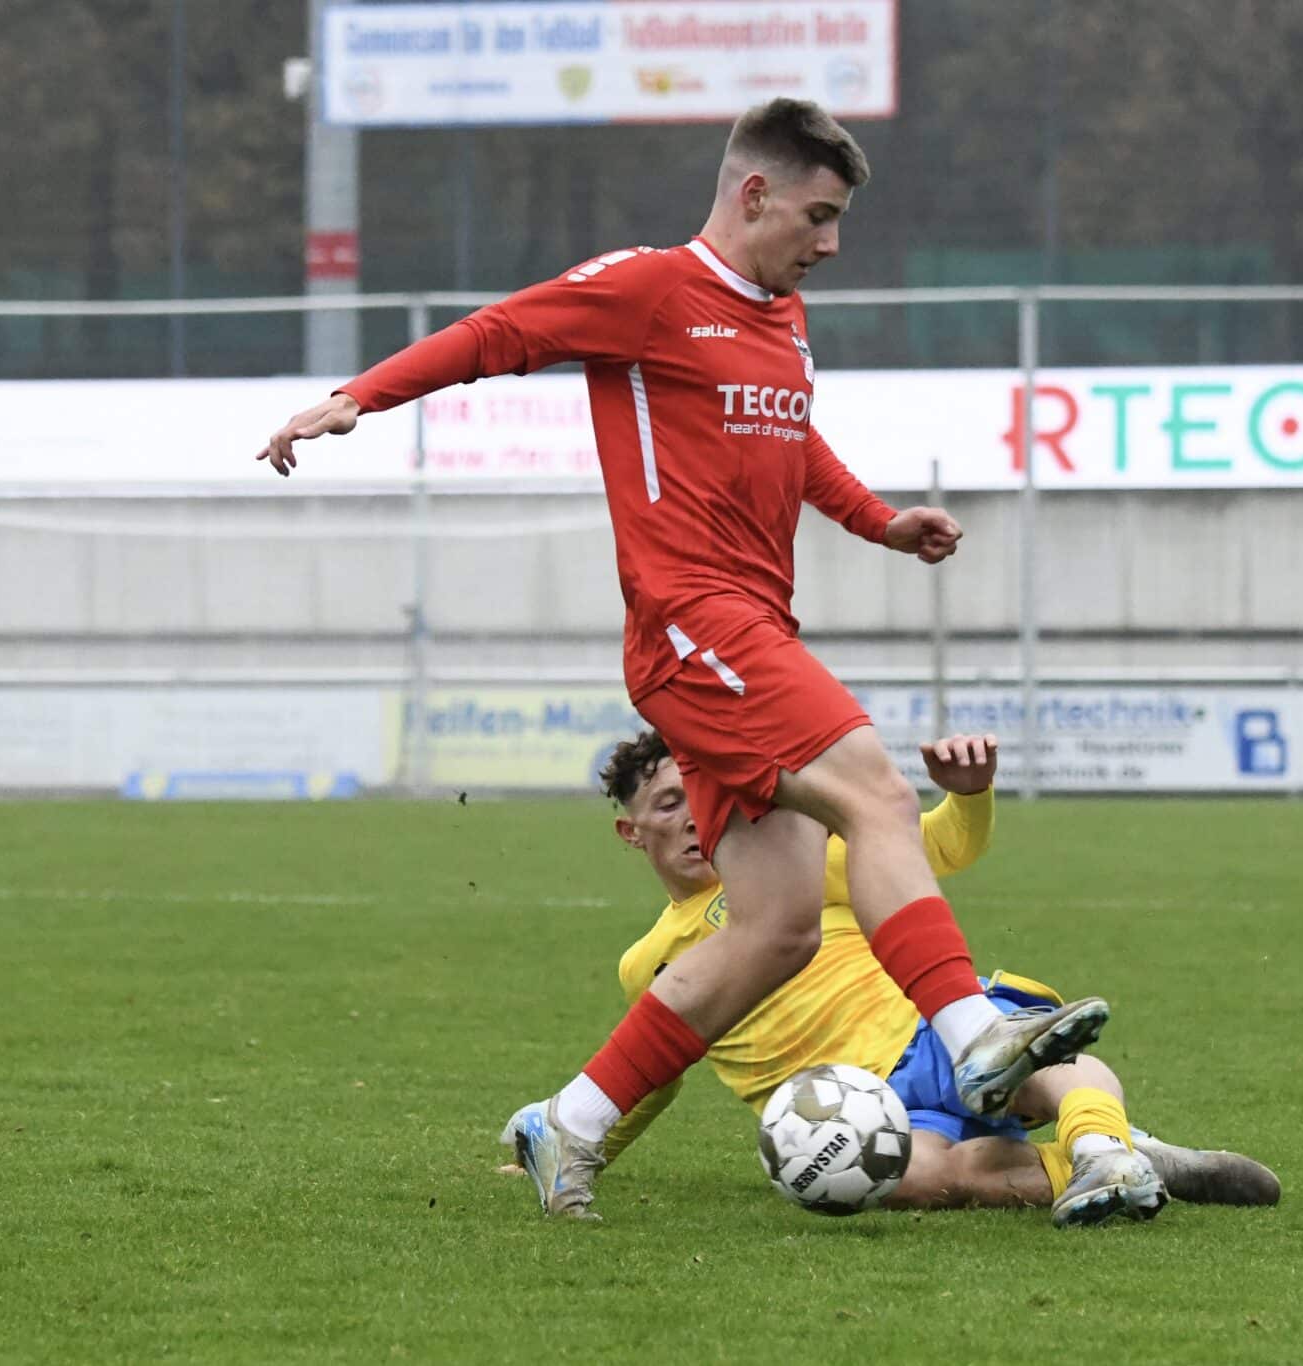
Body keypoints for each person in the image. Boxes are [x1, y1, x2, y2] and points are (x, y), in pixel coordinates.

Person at [255, 98, 1108, 1219]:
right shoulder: (650, 288)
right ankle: (975, 1037)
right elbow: (499, 332)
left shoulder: (781, 316)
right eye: (817, 213)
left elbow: (789, 438)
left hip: (747, 629)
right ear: (751, 193)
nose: (830, 241)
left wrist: (878, 522)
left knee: (778, 927)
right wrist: (359, 396)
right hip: (693, 624)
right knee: (881, 794)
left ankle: (570, 1123)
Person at [525, 726, 1281, 1227]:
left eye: (704, 799)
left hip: (926, 1036)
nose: (695, 820)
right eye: (668, 806)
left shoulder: (795, 869)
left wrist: (971, 794)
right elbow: (651, 1077)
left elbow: (938, 848)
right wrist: (579, 1141)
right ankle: (1115, 1160)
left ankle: (1103, 1147)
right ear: (632, 832)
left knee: (1048, 1066)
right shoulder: (648, 962)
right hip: (861, 1113)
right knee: (918, 1181)